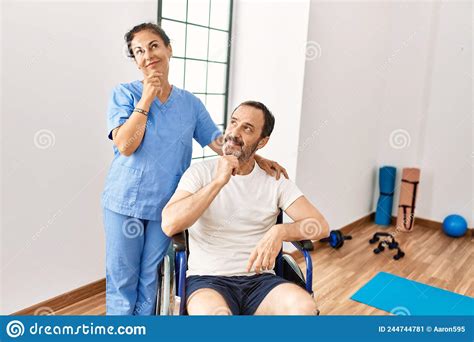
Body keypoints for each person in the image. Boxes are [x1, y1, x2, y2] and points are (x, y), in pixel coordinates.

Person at [102, 23, 288, 315]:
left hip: (166, 206)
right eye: (138, 51)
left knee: (152, 279)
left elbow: (220, 143)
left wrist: (254, 157)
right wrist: (147, 98)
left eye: (153, 46)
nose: (147, 55)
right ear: (135, 60)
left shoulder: (189, 104)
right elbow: (126, 145)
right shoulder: (124, 94)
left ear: (168, 49)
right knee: (122, 280)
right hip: (124, 201)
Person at [162, 101, 330, 315]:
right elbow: (169, 225)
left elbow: (321, 226)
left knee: (304, 307)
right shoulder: (200, 173)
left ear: (262, 142)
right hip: (207, 281)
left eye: (247, 128)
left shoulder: (274, 180)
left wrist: (281, 231)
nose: (234, 132)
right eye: (233, 123)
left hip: (261, 282)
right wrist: (218, 182)